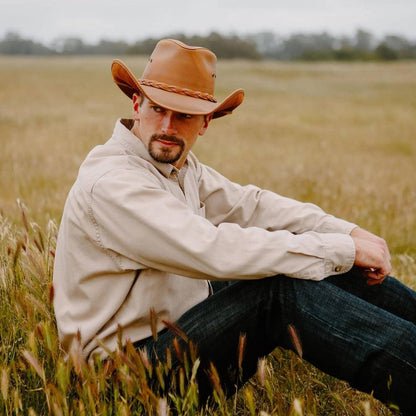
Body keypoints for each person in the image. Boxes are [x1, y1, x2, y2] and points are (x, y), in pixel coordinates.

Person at [53, 39, 416, 414]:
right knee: (281, 288)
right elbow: (210, 249)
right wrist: (341, 250)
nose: (167, 126)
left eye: (184, 116)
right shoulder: (114, 182)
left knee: (313, 262)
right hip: (122, 379)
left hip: (173, 335)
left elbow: (252, 205)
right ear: (136, 104)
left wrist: (346, 233)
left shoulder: (177, 167)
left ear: (205, 123)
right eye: (158, 109)